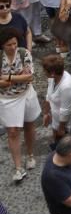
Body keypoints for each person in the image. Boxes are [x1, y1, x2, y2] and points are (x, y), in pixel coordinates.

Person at [0, 27, 40, 183]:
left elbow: (29, 77)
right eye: (9, 44)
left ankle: (30, 154)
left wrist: (7, 77)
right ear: (2, 45)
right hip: (7, 99)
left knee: (29, 124)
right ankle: (18, 167)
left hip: (26, 94)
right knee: (12, 132)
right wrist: (18, 76)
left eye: (14, 43)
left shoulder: (24, 53)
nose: (13, 47)